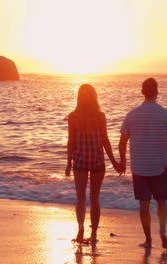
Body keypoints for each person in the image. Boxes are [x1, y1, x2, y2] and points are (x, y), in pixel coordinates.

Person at [118, 78, 167, 249]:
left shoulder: (132, 114)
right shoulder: (165, 114)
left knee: (144, 205)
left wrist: (122, 161)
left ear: (142, 92)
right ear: (157, 91)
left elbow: (122, 142)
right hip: (159, 165)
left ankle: (148, 239)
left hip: (139, 166)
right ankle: (162, 231)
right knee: (161, 201)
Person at [65, 84, 120, 243]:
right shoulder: (100, 116)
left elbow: (71, 141)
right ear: (94, 97)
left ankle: (81, 228)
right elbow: (105, 141)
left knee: (80, 198)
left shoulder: (73, 116)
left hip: (80, 160)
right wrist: (114, 161)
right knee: (95, 198)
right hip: (97, 160)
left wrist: (68, 163)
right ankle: (94, 233)